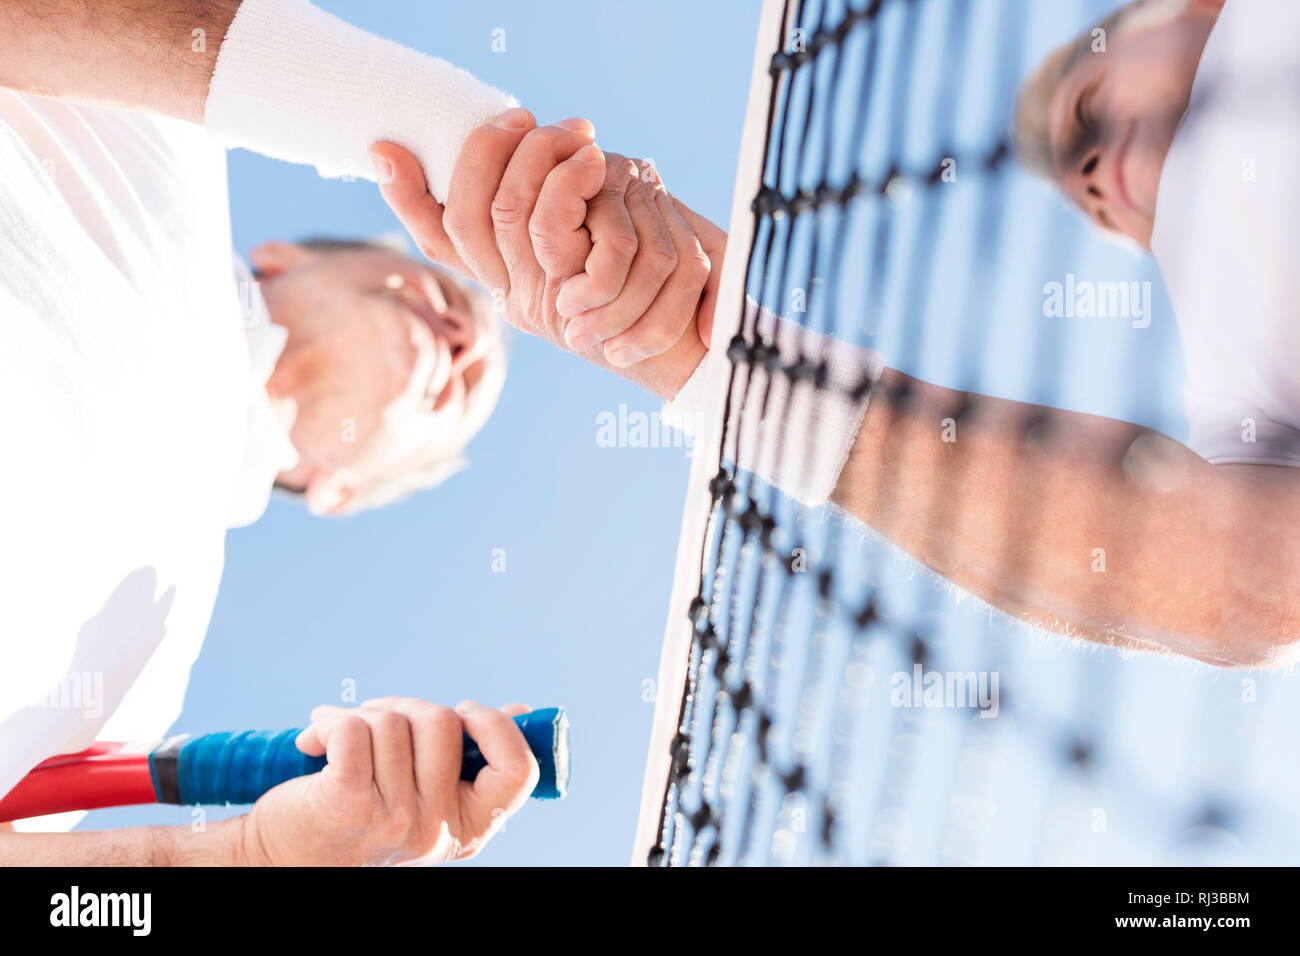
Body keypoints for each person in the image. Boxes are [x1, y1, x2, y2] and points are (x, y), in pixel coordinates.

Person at [0, 0, 717, 864]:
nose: (464, 341)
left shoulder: (146, 681)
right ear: (283, 257)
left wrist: (250, 855)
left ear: (343, 492)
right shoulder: (164, 137)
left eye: (461, 395)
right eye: (449, 297)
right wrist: (465, 141)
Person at [388, 0, 1300, 671]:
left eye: (1086, 108)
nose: (1092, 172)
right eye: (1084, 192)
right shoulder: (1236, 364)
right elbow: (1241, 577)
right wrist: (730, 369)